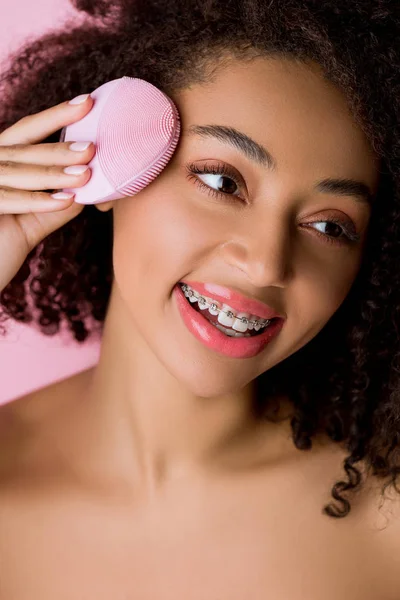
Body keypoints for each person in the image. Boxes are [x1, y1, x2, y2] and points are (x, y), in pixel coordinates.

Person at [0, 0, 399, 596]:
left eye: (330, 226)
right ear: (112, 161)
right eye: (222, 181)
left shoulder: (385, 524)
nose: (266, 262)